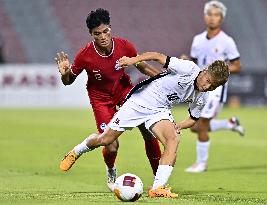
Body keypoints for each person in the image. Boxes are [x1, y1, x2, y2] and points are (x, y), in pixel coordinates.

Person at [60, 51, 229, 198]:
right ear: (205, 71)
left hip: (160, 109)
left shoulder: (203, 97)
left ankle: (157, 188)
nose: (206, 86)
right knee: (106, 140)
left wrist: (179, 125)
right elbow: (157, 56)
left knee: (174, 139)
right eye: (207, 80)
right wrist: (133, 61)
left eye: (212, 86)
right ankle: (77, 151)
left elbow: (193, 118)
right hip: (140, 100)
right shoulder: (189, 69)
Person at [55, 8, 162, 191]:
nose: (103, 36)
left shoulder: (125, 46)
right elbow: (68, 81)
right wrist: (65, 74)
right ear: (91, 34)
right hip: (101, 99)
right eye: (97, 34)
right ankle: (105, 167)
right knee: (111, 145)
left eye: (106, 31)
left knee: (147, 130)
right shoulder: (84, 55)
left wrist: (163, 78)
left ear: (110, 28)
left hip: (124, 92)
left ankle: (159, 182)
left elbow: (142, 66)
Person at [181, 0, 245, 173]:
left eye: (216, 15)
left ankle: (201, 164)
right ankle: (229, 124)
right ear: (205, 16)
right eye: (209, 14)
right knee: (195, 126)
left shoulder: (227, 41)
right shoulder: (197, 40)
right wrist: (187, 61)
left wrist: (219, 71)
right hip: (201, 88)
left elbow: (237, 66)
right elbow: (194, 62)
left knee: (200, 125)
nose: (212, 18)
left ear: (221, 18)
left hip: (216, 90)